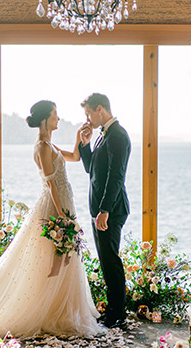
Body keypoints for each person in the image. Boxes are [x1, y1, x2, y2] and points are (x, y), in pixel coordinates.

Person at [0, 100, 101, 338]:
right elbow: (50, 184)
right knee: (51, 258)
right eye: (55, 115)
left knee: (65, 258)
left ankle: (60, 311)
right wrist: (63, 217)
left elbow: (76, 157)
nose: (58, 118)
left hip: (65, 203)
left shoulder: (50, 145)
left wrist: (80, 136)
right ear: (46, 119)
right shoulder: (42, 147)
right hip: (55, 207)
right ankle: (45, 312)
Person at [78, 93, 131, 329]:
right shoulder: (102, 136)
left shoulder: (118, 135)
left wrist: (105, 210)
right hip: (99, 209)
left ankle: (118, 313)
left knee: (111, 261)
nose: (88, 119)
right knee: (106, 261)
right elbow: (91, 169)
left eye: (89, 113)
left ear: (100, 109)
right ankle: (113, 310)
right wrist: (85, 143)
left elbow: (116, 176)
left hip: (111, 210)